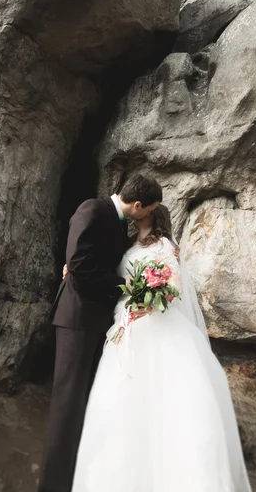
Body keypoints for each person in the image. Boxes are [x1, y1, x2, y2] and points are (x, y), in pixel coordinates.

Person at [71, 205, 253, 492]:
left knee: (161, 395)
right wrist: (72, 267)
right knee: (121, 397)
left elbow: (174, 285)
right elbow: (109, 274)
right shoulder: (126, 244)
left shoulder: (165, 245)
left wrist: (152, 301)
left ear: (153, 215)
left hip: (152, 319)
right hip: (124, 321)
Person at [37, 174, 163, 492]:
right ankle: (52, 485)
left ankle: (74, 477)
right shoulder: (92, 209)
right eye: (150, 209)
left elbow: (90, 262)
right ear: (137, 205)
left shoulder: (120, 223)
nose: (150, 216)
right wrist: (127, 287)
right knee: (67, 405)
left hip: (96, 321)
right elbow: (79, 263)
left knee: (81, 403)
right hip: (76, 318)